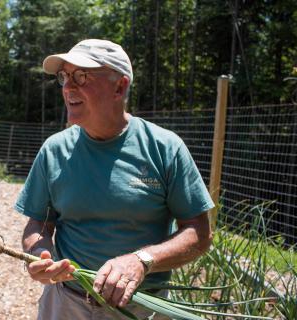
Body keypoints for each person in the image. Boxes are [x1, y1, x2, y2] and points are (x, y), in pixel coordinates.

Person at [14, 39, 214, 320]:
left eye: (81, 76)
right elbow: (38, 223)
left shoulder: (164, 148)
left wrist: (142, 261)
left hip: (142, 309)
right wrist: (40, 254)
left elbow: (199, 232)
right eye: (64, 77)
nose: (68, 87)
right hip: (66, 304)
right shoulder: (55, 150)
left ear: (119, 87)